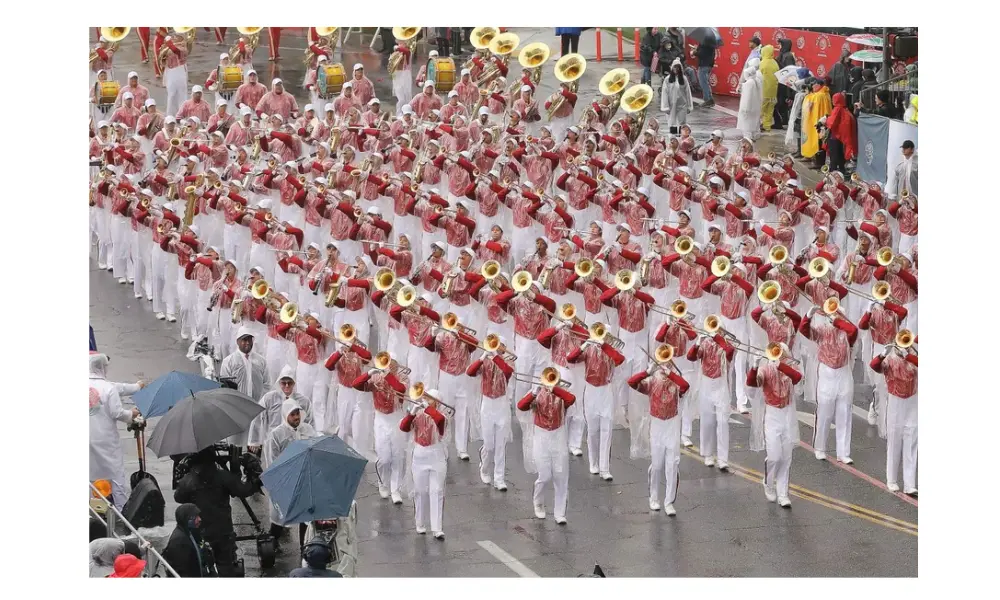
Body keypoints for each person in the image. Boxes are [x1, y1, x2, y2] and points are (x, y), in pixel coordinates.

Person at [173, 446, 262, 577]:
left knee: (200, 566)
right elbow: (243, 490)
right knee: (226, 567)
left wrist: (180, 477)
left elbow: (178, 498)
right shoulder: (223, 476)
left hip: (199, 531)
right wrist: (253, 476)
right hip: (223, 532)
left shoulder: (189, 480)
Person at [627, 359, 690, 515]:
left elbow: (685, 386)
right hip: (657, 423)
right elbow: (632, 382)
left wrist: (671, 373)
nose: (664, 366)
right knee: (656, 465)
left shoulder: (676, 382)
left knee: (672, 464)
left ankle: (669, 502)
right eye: (662, 364)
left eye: (668, 363)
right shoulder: (651, 381)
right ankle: (653, 498)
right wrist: (647, 372)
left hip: (672, 423)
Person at [746, 344, 803, 507]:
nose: (780, 356)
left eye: (782, 353)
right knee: (774, 456)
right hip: (772, 415)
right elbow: (753, 385)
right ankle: (768, 483)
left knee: (786, 457)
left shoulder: (790, 366)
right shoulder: (766, 369)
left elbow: (797, 378)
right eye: (778, 353)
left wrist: (781, 365)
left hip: (788, 414)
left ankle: (783, 494)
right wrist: (755, 367)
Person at [89, 351, 145, 508]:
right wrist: (132, 413)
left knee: (90, 474)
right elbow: (117, 413)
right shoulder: (108, 388)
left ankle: (92, 507)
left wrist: (135, 387)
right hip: (105, 439)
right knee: (115, 474)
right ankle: (120, 510)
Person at [517, 381, 577, 524]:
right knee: (544, 476)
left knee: (561, 477)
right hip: (541, 437)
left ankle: (560, 513)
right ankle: (538, 502)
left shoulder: (562, 396)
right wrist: (533, 393)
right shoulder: (537, 395)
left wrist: (555, 389)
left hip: (558, 437)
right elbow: (521, 406)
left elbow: (571, 399)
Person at [262, 400, 318, 546]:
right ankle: (271, 545)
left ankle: (304, 549)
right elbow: (271, 461)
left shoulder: (308, 430)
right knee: (280, 518)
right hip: (285, 481)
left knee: (305, 517)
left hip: (305, 481)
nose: (296, 417)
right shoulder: (276, 435)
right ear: (285, 415)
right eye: (292, 414)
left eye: (297, 413)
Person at [870, 343, 918, 495]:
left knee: (911, 439)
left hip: (912, 400)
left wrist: (909, 356)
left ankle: (910, 484)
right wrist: (882, 354)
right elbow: (874, 366)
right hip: (895, 400)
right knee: (894, 440)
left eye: (908, 345)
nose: (905, 347)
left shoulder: (913, 358)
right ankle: (892, 480)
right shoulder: (889, 360)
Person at [399, 391, 449, 539]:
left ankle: (437, 528)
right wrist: (412, 413)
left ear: (437, 403)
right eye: (425, 397)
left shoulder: (443, 416)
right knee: (420, 491)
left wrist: (428, 408)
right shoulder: (418, 415)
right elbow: (403, 427)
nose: (425, 400)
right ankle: (420, 523)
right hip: (419, 455)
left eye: (430, 399)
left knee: (437, 490)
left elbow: (439, 421)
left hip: (436, 455)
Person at [219, 327, 271, 447]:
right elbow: (225, 388)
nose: (247, 342)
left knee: (255, 443)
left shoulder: (261, 361)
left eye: (249, 339)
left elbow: (267, 384)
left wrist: (261, 404)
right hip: (237, 409)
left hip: (256, 407)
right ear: (237, 341)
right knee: (235, 444)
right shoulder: (229, 361)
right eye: (243, 340)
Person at [162, 504, 217, 577]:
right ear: (186, 518)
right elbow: (181, 571)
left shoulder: (189, 533)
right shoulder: (179, 541)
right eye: (196, 517)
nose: (200, 519)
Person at [801, 80, 832, 164]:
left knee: (817, 140)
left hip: (817, 121)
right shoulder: (826, 94)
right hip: (822, 120)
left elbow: (811, 109)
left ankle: (816, 161)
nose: (813, 86)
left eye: (814, 84)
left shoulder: (819, 96)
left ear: (819, 85)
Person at [825, 92, 857, 175]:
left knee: (834, 155)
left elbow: (831, 123)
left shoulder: (837, 109)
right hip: (842, 137)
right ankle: (841, 170)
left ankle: (833, 172)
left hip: (835, 136)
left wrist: (826, 120)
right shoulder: (845, 109)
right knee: (840, 155)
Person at [660, 59, 693, 134]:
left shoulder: (684, 79)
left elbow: (688, 93)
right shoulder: (668, 79)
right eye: (675, 67)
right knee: (672, 123)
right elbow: (665, 93)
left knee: (682, 123)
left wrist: (689, 106)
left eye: (678, 68)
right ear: (672, 68)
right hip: (671, 105)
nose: (676, 69)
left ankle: (681, 139)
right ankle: (673, 139)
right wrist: (665, 107)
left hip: (682, 105)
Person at [737, 59, 763, 140]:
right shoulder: (757, 80)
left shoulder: (749, 83)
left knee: (747, 126)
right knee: (754, 125)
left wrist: (745, 109)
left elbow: (747, 98)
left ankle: (747, 140)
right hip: (756, 107)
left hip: (748, 108)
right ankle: (753, 137)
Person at [759, 45, 780, 131]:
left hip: (764, 90)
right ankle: (767, 126)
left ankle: (757, 125)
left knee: (761, 110)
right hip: (773, 91)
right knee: (770, 110)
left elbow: (758, 75)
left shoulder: (762, 63)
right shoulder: (775, 63)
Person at [694, 34, 717, 107]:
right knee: (705, 82)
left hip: (704, 64)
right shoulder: (711, 40)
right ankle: (709, 99)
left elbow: (702, 53)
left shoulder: (705, 41)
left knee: (703, 82)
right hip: (708, 64)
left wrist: (695, 52)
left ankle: (708, 100)